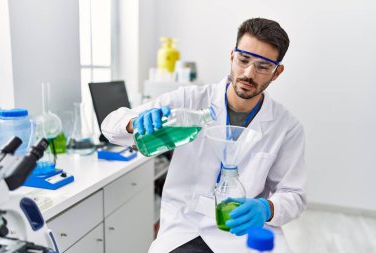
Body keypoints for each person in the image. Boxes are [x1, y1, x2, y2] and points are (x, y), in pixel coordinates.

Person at [101, 17, 306, 253]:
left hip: (240, 233)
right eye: (244, 60)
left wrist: (266, 207)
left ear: (276, 72)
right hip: (184, 228)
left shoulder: (286, 127)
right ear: (232, 56)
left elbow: (294, 195)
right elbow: (109, 126)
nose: (249, 73)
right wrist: (133, 123)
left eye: (262, 66)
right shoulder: (189, 99)